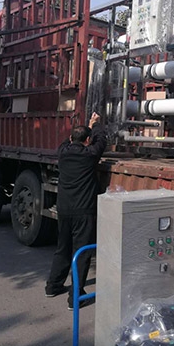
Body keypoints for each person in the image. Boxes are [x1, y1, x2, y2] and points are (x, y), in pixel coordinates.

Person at [45, 112, 107, 310]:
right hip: (83, 211)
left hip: (64, 210)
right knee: (81, 252)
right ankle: (75, 297)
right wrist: (95, 124)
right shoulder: (90, 155)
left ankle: (53, 286)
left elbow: (68, 140)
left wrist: (86, 128)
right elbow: (102, 140)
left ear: (71, 139)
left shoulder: (63, 152)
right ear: (87, 141)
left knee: (63, 248)